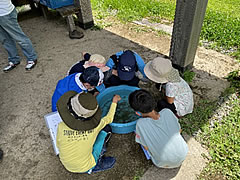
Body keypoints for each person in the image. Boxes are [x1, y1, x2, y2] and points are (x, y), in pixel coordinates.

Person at [56, 91, 121, 173]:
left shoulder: (61, 126)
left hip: (67, 164)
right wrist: (114, 101)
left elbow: (58, 144)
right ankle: (96, 164)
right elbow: (109, 118)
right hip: (85, 166)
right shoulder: (95, 127)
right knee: (106, 129)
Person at [128, 89, 188, 168]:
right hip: (183, 152)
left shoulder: (140, 124)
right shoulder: (167, 112)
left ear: (137, 113)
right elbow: (179, 130)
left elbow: (145, 147)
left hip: (163, 162)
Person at [0, 0, 37, 72]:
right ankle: (14, 60)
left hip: (5, 14)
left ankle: (32, 58)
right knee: (5, 40)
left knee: (19, 37)